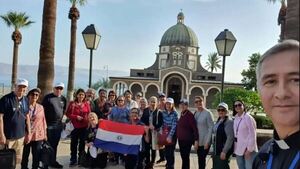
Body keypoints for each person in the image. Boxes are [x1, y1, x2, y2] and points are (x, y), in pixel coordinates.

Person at [253, 40, 299, 169]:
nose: (282, 93)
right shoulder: (262, 156)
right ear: (259, 92)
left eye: (296, 80)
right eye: (271, 81)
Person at [0, 78, 31, 164]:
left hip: (20, 137)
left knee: (16, 161)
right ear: (15, 87)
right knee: (5, 162)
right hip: (8, 138)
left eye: (24, 87)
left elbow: (27, 116)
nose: (21, 89)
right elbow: (0, 117)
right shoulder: (6, 99)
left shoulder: (26, 100)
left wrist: (29, 133)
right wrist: (1, 135)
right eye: (19, 87)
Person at [42, 82, 67, 168]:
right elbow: (42, 112)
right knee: (47, 145)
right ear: (53, 88)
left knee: (55, 145)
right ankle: (45, 164)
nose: (59, 90)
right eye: (57, 88)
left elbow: (63, 111)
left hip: (58, 126)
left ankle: (53, 162)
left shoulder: (63, 99)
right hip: (48, 126)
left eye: (61, 88)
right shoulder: (47, 98)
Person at [21, 88, 47, 169]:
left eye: (36, 95)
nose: (34, 96)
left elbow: (43, 121)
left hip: (38, 135)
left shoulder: (41, 107)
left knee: (36, 156)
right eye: (33, 94)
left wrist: (45, 134)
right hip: (26, 135)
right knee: (25, 155)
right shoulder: (23, 107)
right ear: (28, 96)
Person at [66, 88, 90, 166]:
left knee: (82, 144)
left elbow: (89, 114)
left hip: (84, 127)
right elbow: (67, 114)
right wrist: (76, 117)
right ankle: (73, 159)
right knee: (73, 144)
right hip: (74, 127)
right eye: (80, 94)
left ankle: (80, 159)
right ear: (76, 95)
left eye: (83, 95)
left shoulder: (86, 104)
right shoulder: (72, 103)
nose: (81, 96)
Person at [233, 99, 258, 169]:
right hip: (238, 148)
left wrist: (249, 150)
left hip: (248, 149)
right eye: (235, 105)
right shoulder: (236, 118)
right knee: (241, 167)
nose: (237, 107)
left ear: (243, 106)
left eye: (239, 105)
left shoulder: (248, 118)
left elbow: (253, 134)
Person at [140, 96, 163, 169]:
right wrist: (145, 126)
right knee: (147, 148)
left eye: (154, 102)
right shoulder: (146, 110)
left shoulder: (159, 112)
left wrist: (155, 127)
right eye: (151, 101)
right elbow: (142, 120)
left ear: (157, 103)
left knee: (153, 149)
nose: (152, 103)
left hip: (155, 133)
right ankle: (147, 162)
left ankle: (152, 163)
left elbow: (161, 123)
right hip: (147, 132)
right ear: (149, 102)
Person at [176, 99, 199, 169]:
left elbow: (194, 128)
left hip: (187, 140)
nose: (182, 106)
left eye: (184, 104)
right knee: (183, 157)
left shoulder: (190, 115)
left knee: (185, 157)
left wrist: (196, 140)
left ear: (187, 106)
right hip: (181, 140)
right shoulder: (182, 114)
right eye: (181, 104)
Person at [194, 96, 214, 169]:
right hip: (198, 141)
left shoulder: (208, 113)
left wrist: (207, 142)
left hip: (205, 141)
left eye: (200, 101)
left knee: (202, 159)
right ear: (195, 104)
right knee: (200, 159)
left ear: (203, 102)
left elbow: (211, 128)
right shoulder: (196, 113)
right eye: (196, 102)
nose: (198, 103)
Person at [212, 102, 234, 169]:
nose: (220, 111)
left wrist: (224, 151)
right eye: (219, 110)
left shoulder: (229, 122)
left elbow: (230, 138)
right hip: (216, 150)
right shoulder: (219, 120)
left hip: (223, 151)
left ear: (226, 111)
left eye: (223, 110)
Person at [161, 98, 178, 169]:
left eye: (170, 104)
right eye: (167, 103)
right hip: (165, 133)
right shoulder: (163, 112)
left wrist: (170, 136)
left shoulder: (175, 113)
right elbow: (162, 123)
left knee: (171, 151)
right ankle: (168, 165)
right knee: (167, 151)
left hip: (172, 134)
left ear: (172, 105)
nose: (168, 105)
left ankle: (171, 166)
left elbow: (174, 125)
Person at [156, 92, 167, 164]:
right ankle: (162, 157)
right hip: (159, 128)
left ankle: (166, 159)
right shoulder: (157, 107)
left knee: (166, 145)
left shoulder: (168, 106)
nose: (162, 101)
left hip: (166, 129)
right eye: (161, 99)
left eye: (163, 99)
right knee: (160, 143)